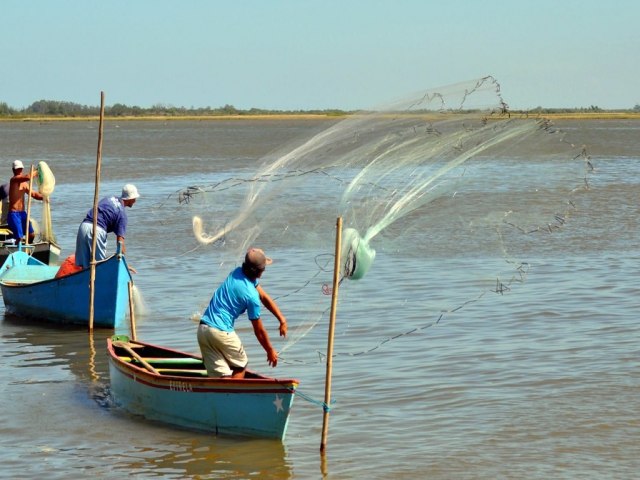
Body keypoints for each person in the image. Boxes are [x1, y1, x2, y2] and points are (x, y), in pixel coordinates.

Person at [197, 247, 288, 378]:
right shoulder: (251, 297)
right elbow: (259, 331)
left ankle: (221, 396)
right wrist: (269, 350)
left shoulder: (237, 272)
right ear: (259, 272)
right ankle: (233, 396)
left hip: (203, 330)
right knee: (240, 364)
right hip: (221, 332)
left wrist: (281, 319)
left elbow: (264, 297)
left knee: (219, 377)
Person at [75, 184, 140, 268]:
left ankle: (86, 280)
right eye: (134, 199)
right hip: (97, 230)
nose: (135, 201)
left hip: (83, 227)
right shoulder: (122, 214)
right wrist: (124, 265)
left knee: (84, 266)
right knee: (99, 265)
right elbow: (120, 243)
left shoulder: (109, 198)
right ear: (130, 198)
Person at [8, 160, 43, 243]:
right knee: (19, 238)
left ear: (22, 169)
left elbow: (34, 194)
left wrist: (44, 197)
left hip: (22, 213)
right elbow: (28, 177)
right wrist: (37, 171)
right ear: (13, 170)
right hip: (13, 214)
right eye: (17, 169)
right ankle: (17, 250)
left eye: (20, 169)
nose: (19, 171)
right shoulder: (13, 180)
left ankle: (27, 251)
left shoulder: (24, 184)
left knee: (31, 235)